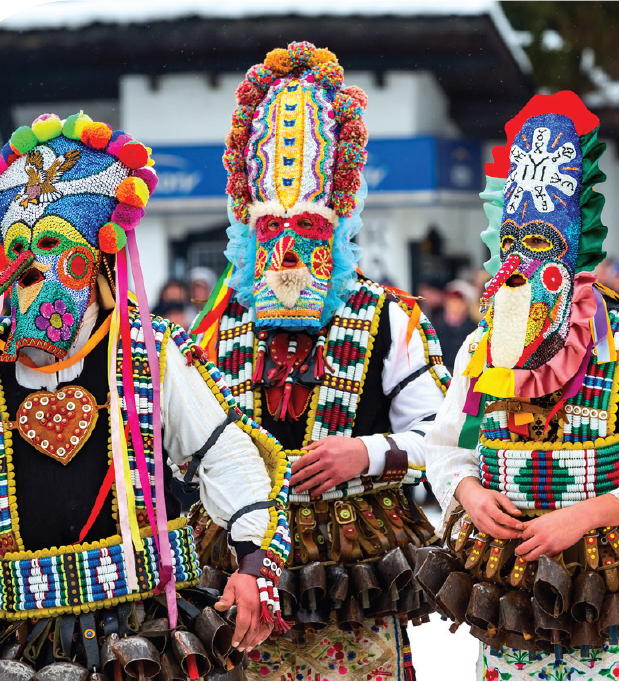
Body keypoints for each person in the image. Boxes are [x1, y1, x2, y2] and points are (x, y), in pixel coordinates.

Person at [0, 113, 289, 679]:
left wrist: (252, 564)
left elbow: (224, 454)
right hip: (14, 644)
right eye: (21, 252)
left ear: (96, 256)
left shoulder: (146, 351)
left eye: (53, 244)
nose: (35, 267)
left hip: (147, 629)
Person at [422, 92, 619, 681]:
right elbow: (447, 446)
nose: (519, 270)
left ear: (575, 256)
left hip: (607, 581)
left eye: (539, 247)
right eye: (509, 248)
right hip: (511, 583)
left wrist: (580, 517)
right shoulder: (481, 348)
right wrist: (470, 494)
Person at [189, 41, 450, 681]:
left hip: (354, 566)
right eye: (271, 234)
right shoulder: (222, 327)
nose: (286, 256)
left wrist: (364, 453)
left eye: (306, 231)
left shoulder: (387, 317)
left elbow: (444, 440)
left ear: (337, 228)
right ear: (249, 234)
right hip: (243, 562)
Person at [431, 279, 478, 359]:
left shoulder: (474, 330)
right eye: (450, 299)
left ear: (466, 304)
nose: (453, 304)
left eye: (458, 301)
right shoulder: (434, 327)